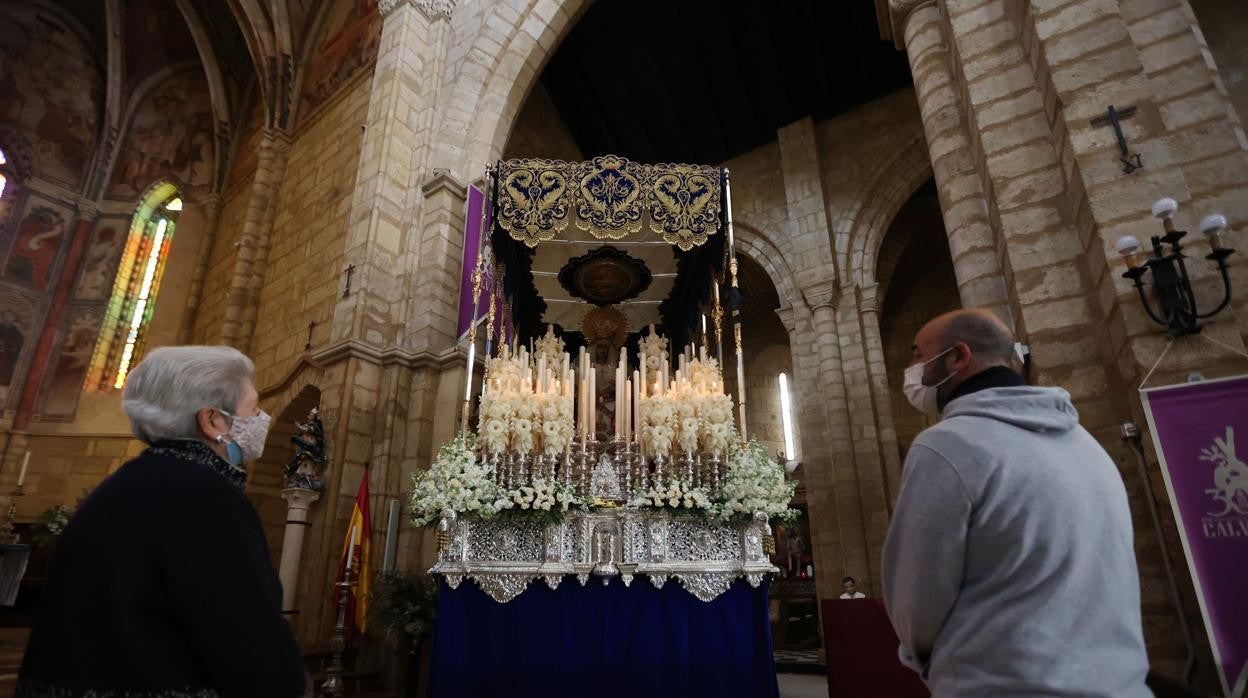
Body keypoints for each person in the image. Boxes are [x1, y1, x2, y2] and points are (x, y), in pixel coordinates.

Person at [882, 309, 1149, 697]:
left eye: (919, 355)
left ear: (958, 357)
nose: (913, 369)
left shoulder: (947, 445)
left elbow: (915, 604)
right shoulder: (1086, 444)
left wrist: (934, 663)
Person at [18, 346, 307, 698]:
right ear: (212, 420)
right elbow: (256, 654)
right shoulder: (208, 499)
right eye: (253, 408)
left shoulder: (122, 485)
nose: (262, 417)